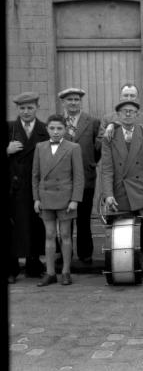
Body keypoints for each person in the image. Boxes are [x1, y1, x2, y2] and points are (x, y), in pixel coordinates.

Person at [101, 100, 143, 283]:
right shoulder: (110, 135)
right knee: (121, 236)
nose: (128, 114)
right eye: (124, 111)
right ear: (118, 115)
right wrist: (108, 194)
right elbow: (106, 168)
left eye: (132, 111)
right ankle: (126, 269)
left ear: (138, 114)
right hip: (120, 192)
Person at [32, 115, 84, 286]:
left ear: (65, 129)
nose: (55, 132)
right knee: (49, 235)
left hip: (65, 198)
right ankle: (50, 272)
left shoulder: (73, 147)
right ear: (47, 129)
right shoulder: (40, 147)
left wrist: (75, 199)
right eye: (52, 128)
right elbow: (35, 176)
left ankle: (66, 272)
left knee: (66, 234)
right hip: (45, 197)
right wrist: (36, 198)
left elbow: (78, 177)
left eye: (59, 128)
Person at [7, 91, 49, 282]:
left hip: (37, 186)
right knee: (14, 227)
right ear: (18, 109)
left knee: (36, 225)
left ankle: (34, 264)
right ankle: (12, 269)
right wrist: (6, 150)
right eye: (22, 108)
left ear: (37, 108)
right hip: (15, 187)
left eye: (30, 108)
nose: (26, 112)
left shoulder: (45, 129)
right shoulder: (10, 128)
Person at [58, 87, 101, 266]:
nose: (73, 102)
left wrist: (90, 163)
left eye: (76, 99)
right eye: (70, 99)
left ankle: (85, 253)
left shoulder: (92, 121)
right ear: (63, 102)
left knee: (83, 218)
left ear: (81, 101)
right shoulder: (57, 121)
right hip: (63, 179)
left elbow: (97, 149)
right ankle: (63, 254)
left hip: (86, 176)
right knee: (64, 218)